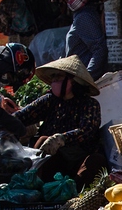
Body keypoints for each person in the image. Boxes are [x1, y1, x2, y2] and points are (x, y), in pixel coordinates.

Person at [13, 56, 104, 188]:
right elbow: (22, 116)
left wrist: (61, 139)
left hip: (78, 157)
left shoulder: (90, 104)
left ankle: (73, 193)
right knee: (43, 139)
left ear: (73, 81)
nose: (54, 80)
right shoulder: (49, 100)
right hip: (51, 157)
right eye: (53, 77)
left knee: (96, 160)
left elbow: (87, 131)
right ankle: (35, 187)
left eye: (59, 77)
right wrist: (2, 125)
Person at [51, 0, 107, 80]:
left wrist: (87, 78)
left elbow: (99, 49)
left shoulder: (84, 16)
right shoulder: (82, 15)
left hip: (82, 77)